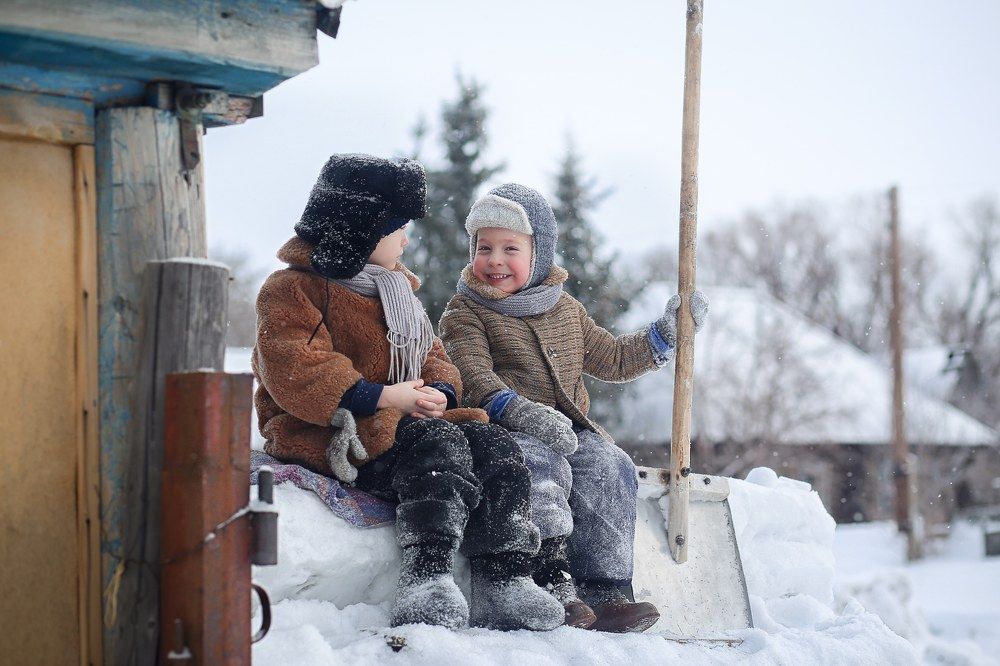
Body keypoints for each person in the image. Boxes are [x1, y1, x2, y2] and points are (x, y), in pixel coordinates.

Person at [252, 157, 564, 631]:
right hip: (335, 430)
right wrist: (380, 396)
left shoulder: (396, 291)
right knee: (436, 447)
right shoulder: (292, 290)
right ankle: (427, 577)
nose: (407, 239)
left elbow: (433, 354)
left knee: (496, 446)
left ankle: (505, 578)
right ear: (362, 230)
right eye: (398, 228)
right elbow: (293, 366)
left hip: (404, 420)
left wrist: (438, 389)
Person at [439, 183, 708, 633]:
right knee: (543, 471)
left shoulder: (564, 308)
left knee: (609, 464)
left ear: (540, 252)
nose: (495, 260)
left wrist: (665, 334)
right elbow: (474, 377)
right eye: (484, 247)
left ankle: (606, 590)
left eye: (510, 248)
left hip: (572, 430)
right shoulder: (466, 313)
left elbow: (614, 358)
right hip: (508, 431)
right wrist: (523, 413)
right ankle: (551, 582)